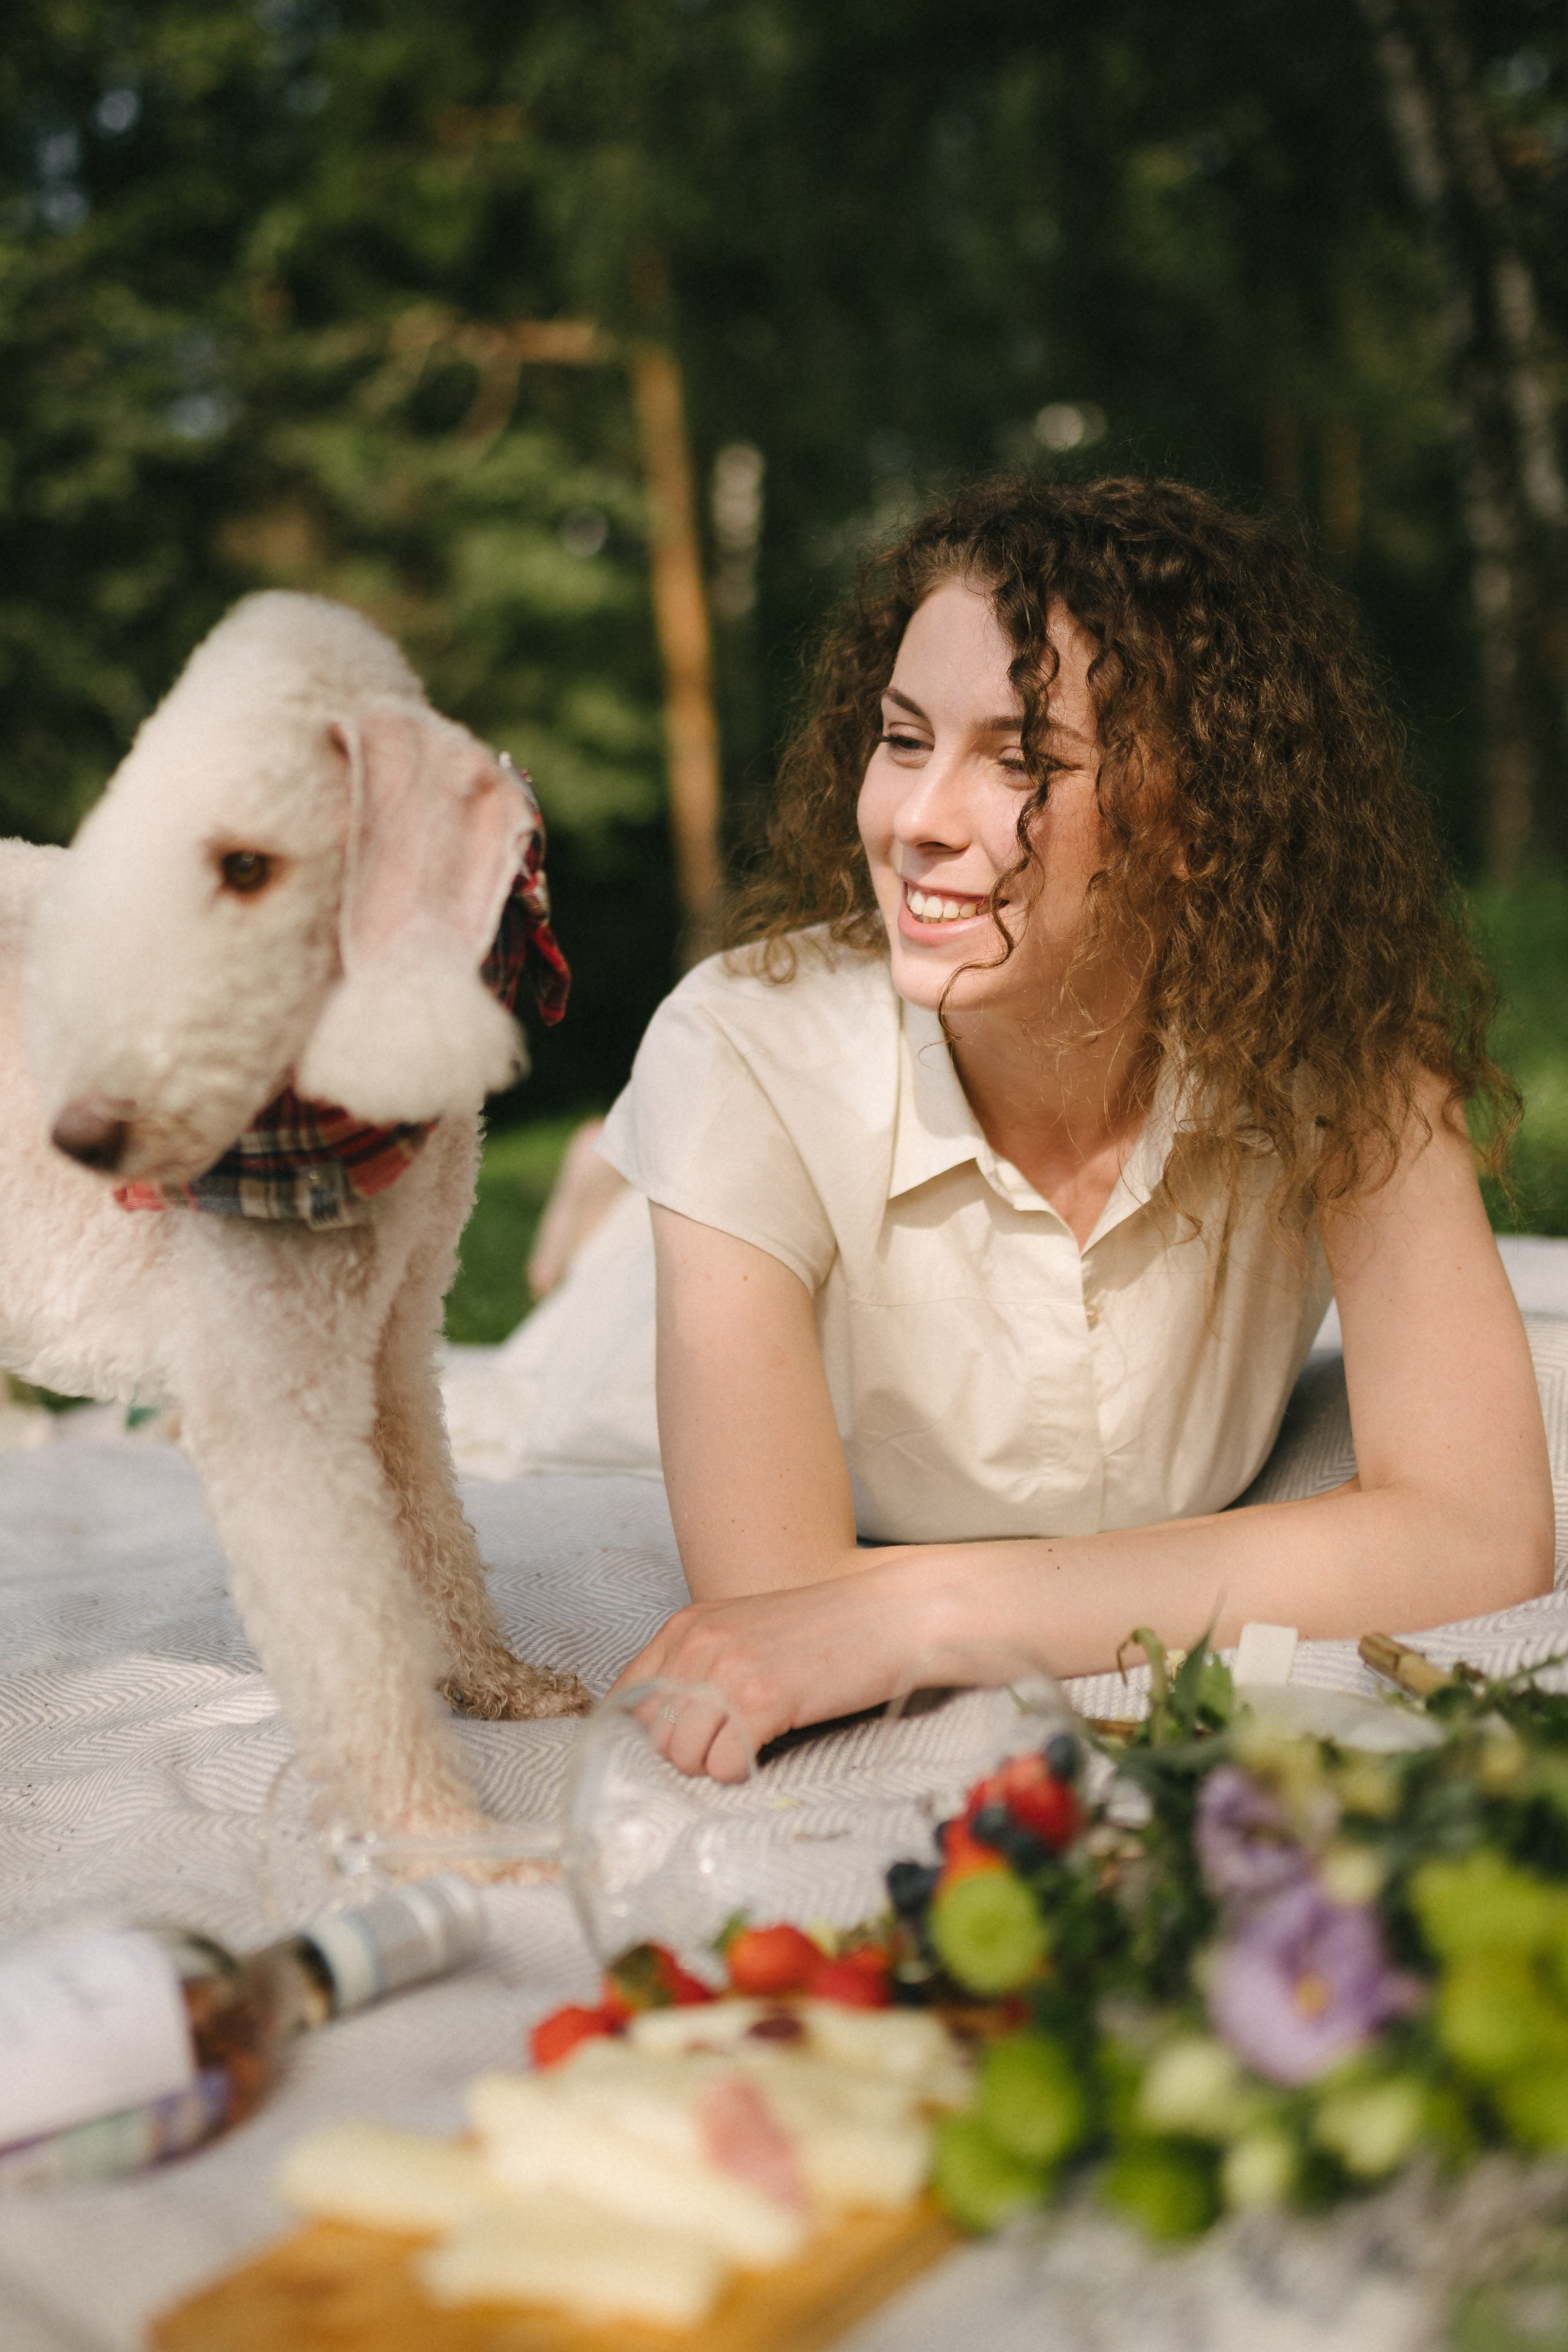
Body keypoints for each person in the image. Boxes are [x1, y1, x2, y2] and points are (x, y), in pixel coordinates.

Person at [594, 475, 1552, 1777]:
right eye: (902, 739)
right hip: (684, 1259)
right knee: (580, 1328)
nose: (915, 821)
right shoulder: (738, 1051)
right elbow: (777, 1612)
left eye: (1021, 761)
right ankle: (591, 1206)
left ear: (1199, 816)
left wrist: (930, 1610)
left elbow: (1480, 1531)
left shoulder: (1338, 1036)